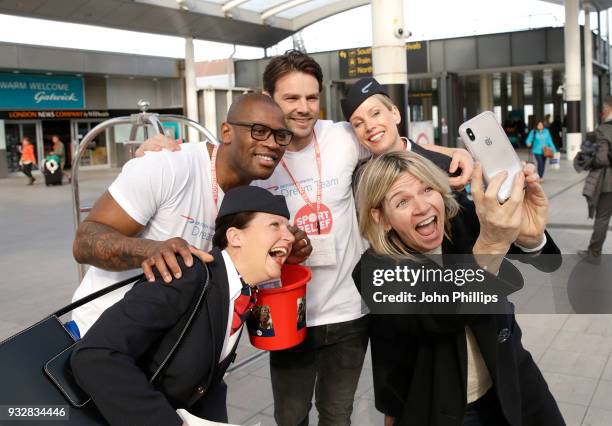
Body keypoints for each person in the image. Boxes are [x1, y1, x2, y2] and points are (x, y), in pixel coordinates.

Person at [138, 52, 474, 425]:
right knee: (291, 415)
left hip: (349, 310)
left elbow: (393, 145)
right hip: (288, 311)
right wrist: (159, 153)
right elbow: (213, 156)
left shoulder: (342, 137)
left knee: (337, 415)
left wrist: (452, 153)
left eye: (311, 98)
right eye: (291, 98)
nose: (303, 108)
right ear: (269, 98)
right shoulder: (258, 155)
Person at [71, 93, 311, 338]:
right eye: (259, 131)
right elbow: (84, 241)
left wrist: (278, 252)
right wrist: (150, 250)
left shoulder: (257, 195)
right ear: (227, 132)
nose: (272, 143)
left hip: (170, 346)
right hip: (100, 334)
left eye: (281, 136)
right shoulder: (169, 166)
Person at [354, 151, 564, 426]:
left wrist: (532, 237)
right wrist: (490, 246)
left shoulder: (465, 220)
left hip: (514, 382)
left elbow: (548, 263)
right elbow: (443, 313)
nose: (422, 207)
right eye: (402, 201)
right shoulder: (374, 270)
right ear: (381, 217)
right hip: (446, 408)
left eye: (427, 189)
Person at [71, 185, 295, 425]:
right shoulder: (187, 276)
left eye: (288, 228)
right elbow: (95, 354)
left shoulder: (240, 290)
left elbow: (208, 379)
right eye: (275, 225)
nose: (290, 236)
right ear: (235, 237)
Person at [578, 95, 612, 264]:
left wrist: (588, 160)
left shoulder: (603, 130)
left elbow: (601, 159)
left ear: (606, 110)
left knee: (602, 218)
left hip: (608, 183)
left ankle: (594, 254)